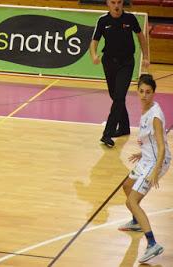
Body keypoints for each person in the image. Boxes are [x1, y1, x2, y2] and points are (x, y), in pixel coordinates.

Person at [117, 74, 171, 263]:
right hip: (148, 158)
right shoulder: (145, 109)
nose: (144, 95)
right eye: (141, 91)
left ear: (154, 93)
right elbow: (154, 142)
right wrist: (143, 153)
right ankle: (136, 222)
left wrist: (155, 171)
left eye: (148, 92)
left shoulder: (155, 116)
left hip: (157, 162)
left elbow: (162, 147)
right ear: (137, 91)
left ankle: (152, 244)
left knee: (132, 201)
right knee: (126, 186)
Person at [90, 0, 150, 148]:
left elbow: (141, 37)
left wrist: (147, 56)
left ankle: (107, 134)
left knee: (119, 96)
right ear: (108, 4)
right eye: (113, 2)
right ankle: (124, 127)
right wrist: (94, 55)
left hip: (126, 63)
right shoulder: (103, 21)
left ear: (122, 3)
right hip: (109, 62)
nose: (116, 6)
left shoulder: (130, 19)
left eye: (119, 2)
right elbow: (94, 41)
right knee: (115, 95)